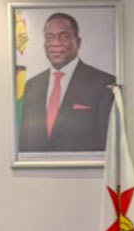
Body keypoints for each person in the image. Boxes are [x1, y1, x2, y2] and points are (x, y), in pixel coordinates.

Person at [18, 12, 115, 153]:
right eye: (49, 37)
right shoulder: (32, 86)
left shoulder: (103, 84)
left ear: (78, 42)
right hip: (38, 167)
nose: (55, 43)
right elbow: (24, 142)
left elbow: (108, 145)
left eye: (64, 37)